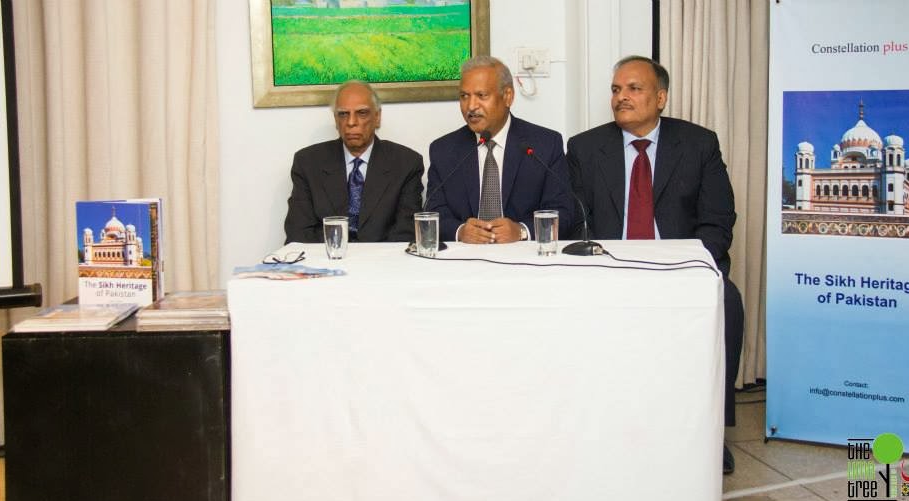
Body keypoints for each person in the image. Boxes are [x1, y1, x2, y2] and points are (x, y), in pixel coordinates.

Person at [566, 55, 744, 475]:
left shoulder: (699, 143)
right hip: (609, 269)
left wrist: (694, 267)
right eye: (615, 89)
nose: (620, 97)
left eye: (633, 88)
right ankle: (592, 428)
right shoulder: (585, 148)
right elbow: (575, 221)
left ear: (660, 97)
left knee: (729, 304)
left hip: (678, 269)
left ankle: (711, 432)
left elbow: (719, 219)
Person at [425, 56, 572, 244]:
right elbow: (433, 211)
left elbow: (563, 211)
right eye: (464, 96)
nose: (471, 106)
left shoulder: (544, 144)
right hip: (464, 260)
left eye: (482, 95)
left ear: (508, 96)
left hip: (524, 261)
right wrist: (461, 231)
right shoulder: (443, 150)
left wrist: (522, 231)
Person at [283, 80, 424, 243]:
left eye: (362, 113)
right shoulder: (308, 163)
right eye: (343, 114)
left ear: (377, 117)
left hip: (383, 263)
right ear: (336, 120)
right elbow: (298, 233)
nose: (351, 122)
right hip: (327, 261)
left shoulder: (406, 164)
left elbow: (405, 234)